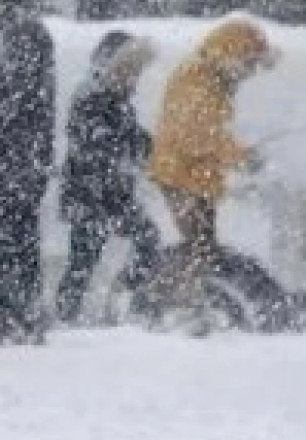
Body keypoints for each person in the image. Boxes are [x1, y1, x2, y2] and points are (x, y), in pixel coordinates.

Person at [148, 17, 278, 332]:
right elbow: (196, 135)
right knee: (199, 245)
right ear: (232, 54)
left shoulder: (214, 78)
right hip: (181, 177)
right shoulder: (197, 80)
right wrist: (240, 156)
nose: (250, 73)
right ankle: (177, 305)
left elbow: (208, 132)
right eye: (249, 64)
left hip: (195, 177)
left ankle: (174, 299)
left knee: (202, 244)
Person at [54, 31, 161, 324]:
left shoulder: (117, 97)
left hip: (111, 195)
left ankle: (122, 291)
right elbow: (95, 143)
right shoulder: (90, 96)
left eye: (137, 71)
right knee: (83, 261)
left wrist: (147, 145)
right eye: (130, 69)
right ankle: (68, 315)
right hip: (89, 195)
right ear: (111, 64)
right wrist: (129, 147)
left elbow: (131, 138)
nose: (135, 77)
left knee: (145, 239)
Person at [0, 0, 56, 345]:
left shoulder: (19, 36)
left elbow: (8, 98)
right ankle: (18, 314)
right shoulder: (25, 34)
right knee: (16, 238)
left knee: (11, 238)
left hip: (12, 159)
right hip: (21, 157)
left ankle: (12, 316)